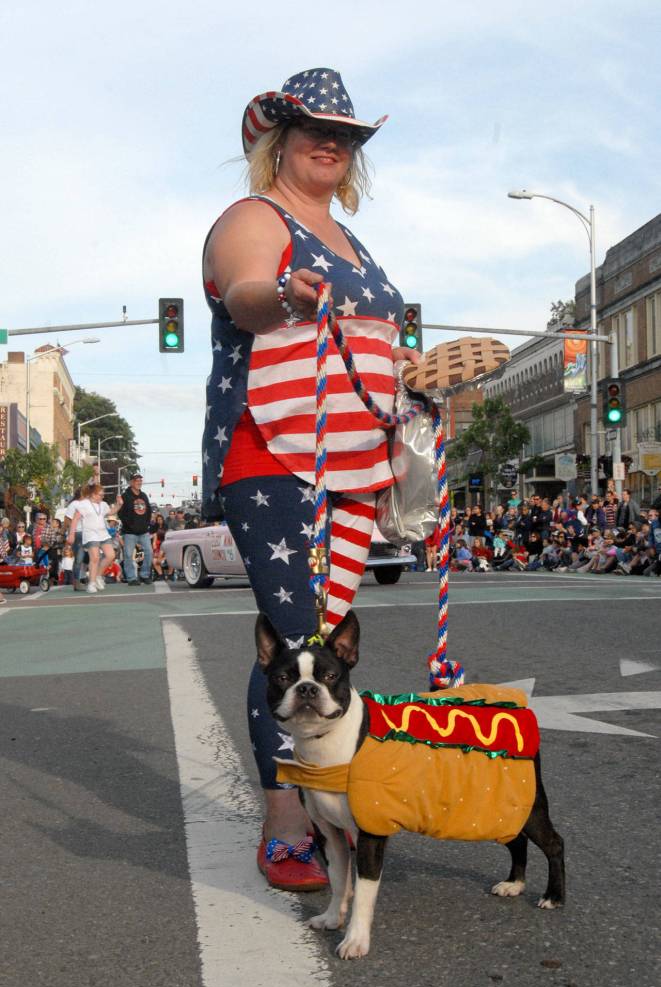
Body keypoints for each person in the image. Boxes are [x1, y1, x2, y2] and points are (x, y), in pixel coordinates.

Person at [201, 67, 420, 892]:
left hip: (356, 456)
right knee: (296, 633)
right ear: (279, 142)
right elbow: (248, 294)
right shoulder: (255, 217)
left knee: (319, 642)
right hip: (272, 451)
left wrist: (410, 376)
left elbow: (366, 343)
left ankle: (329, 798)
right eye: (313, 130)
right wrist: (284, 298)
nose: (331, 144)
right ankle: (285, 817)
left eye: (347, 135)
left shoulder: (353, 241)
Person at [67, 483, 120, 592]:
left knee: (111, 555)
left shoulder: (103, 504)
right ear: (93, 494)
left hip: (103, 533)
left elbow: (111, 512)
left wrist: (119, 504)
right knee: (95, 558)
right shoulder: (84, 504)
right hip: (91, 535)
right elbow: (75, 519)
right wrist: (71, 534)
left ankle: (98, 576)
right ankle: (91, 583)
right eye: (100, 495)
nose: (102, 497)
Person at [117, 472, 153, 586]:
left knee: (149, 552)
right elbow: (121, 513)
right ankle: (131, 578)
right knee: (128, 555)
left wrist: (146, 524)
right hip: (129, 532)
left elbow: (149, 511)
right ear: (131, 482)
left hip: (143, 531)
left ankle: (144, 575)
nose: (139, 482)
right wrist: (129, 524)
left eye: (140, 480)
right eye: (136, 480)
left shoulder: (144, 496)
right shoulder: (125, 496)